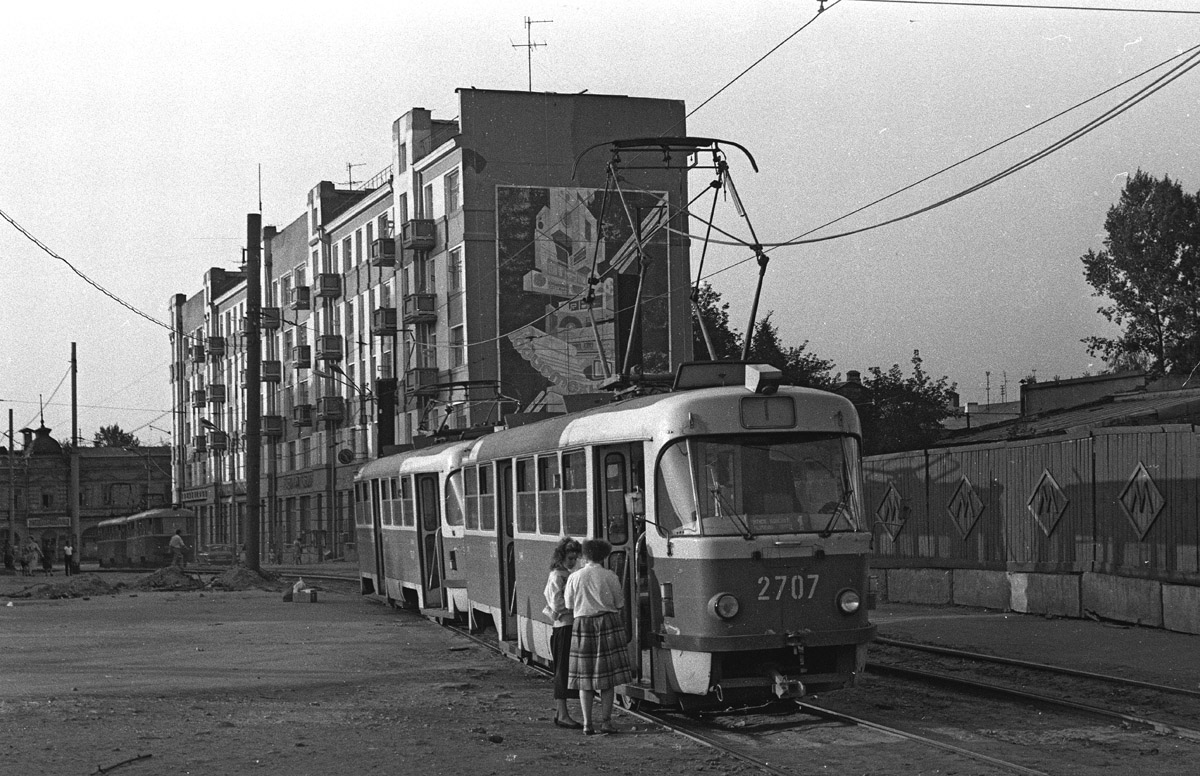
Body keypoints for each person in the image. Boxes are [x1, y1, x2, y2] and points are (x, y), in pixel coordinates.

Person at [564, 538, 632, 736]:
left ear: (584, 555)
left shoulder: (575, 577)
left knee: (585, 679)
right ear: (604, 556)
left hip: (582, 625)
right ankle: (606, 721)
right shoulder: (610, 576)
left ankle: (587, 723)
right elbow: (619, 602)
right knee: (607, 679)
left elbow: (569, 605)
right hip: (607, 624)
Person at [543, 537, 583, 729]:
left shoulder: (564, 574)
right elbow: (557, 604)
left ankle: (562, 714)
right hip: (563, 627)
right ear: (561, 556)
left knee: (563, 670)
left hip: (566, 625)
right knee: (562, 671)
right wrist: (577, 607)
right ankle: (563, 714)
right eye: (569, 558)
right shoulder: (558, 576)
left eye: (575, 558)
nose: (572, 561)